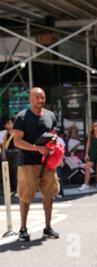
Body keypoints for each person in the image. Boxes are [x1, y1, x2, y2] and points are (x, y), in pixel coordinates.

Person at [13, 87, 61, 241]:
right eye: (37, 97)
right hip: (27, 163)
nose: (41, 100)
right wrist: (36, 148)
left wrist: (53, 142)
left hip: (47, 163)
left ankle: (47, 227)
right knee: (26, 196)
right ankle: (23, 229)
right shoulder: (22, 117)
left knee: (49, 194)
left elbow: (53, 134)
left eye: (43, 97)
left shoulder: (51, 115)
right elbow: (17, 141)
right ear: (30, 99)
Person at [79, 122, 97, 191]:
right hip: (92, 152)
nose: (95, 128)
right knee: (87, 167)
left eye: (96, 126)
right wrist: (86, 154)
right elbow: (88, 144)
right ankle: (86, 184)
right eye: (94, 126)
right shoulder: (90, 134)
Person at [2, 117, 19, 196]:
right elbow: (4, 146)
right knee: (10, 172)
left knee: (16, 172)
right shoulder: (6, 133)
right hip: (9, 154)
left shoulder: (16, 132)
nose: (8, 125)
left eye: (10, 123)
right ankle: (13, 189)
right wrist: (4, 155)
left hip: (16, 154)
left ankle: (17, 189)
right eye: (7, 124)